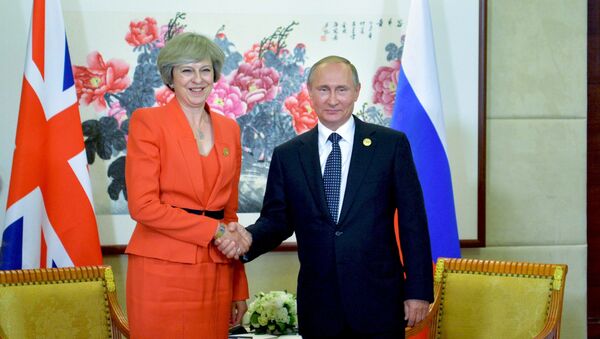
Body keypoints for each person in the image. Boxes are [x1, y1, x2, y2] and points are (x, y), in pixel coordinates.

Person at [218, 55, 434, 338]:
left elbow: (413, 223)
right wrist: (247, 239)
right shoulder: (289, 155)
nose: (332, 99)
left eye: (341, 89)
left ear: (356, 92)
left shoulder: (390, 146)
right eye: (323, 89)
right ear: (309, 92)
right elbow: (277, 220)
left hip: (379, 302)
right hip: (319, 305)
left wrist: (417, 291)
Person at [125, 32, 251, 338]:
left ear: (215, 75)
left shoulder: (229, 129)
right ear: (171, 77)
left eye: (205, 70)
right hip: (161, 272)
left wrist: (238, 286)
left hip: (216, 272)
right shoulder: (148, 122)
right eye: (187, 70)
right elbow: (143, 206)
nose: (198, 79)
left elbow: (229, 216)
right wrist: (214, 231)